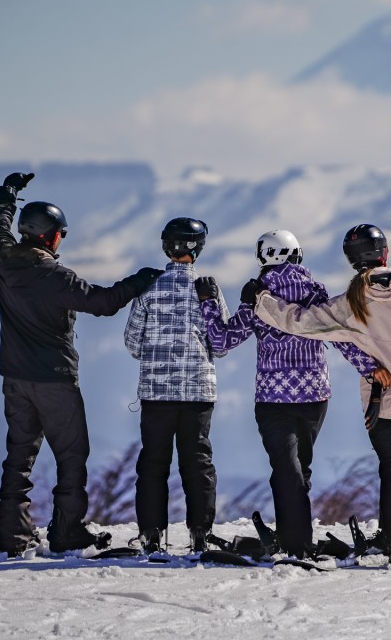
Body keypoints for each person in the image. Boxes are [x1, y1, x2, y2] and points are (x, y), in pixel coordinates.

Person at [247, 224, 391, 563]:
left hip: (385, 392)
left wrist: (261, 300)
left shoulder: (352, 301)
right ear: (385, 253)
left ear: (351, 261)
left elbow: (301, 322)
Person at [0, 171, 163, 557]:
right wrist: (140, 280)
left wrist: (8, 194)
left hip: (14, 378)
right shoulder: (55, 276)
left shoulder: (1, 259)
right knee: (71, 457)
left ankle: (12, 535)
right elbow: (103, 302)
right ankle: (66, 532)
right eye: (61, 234)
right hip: (54, 382)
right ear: (51, 235)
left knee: (19, 457)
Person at [194, 229, 391, 559]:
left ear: (264, 257)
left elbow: (221, 341)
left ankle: (296, 543)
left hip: (274, 399)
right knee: (301, 469)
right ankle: (293, 536)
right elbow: (340, 336)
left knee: (285, 470)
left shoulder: (259, 296)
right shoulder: (316, 292)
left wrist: (209, 303)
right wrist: (369, 367)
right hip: (315, 396)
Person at [124, 217, 231, 555]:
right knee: (197, 461)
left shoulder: (149, 288)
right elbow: (223, 344)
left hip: (156, 393)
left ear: (165, 246)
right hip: (198, 392)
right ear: (199, 248)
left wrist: (154, 353)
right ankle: (200, 533)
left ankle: (152, 535)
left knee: (153, 464)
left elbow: (131, 342)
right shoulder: (208, 289)